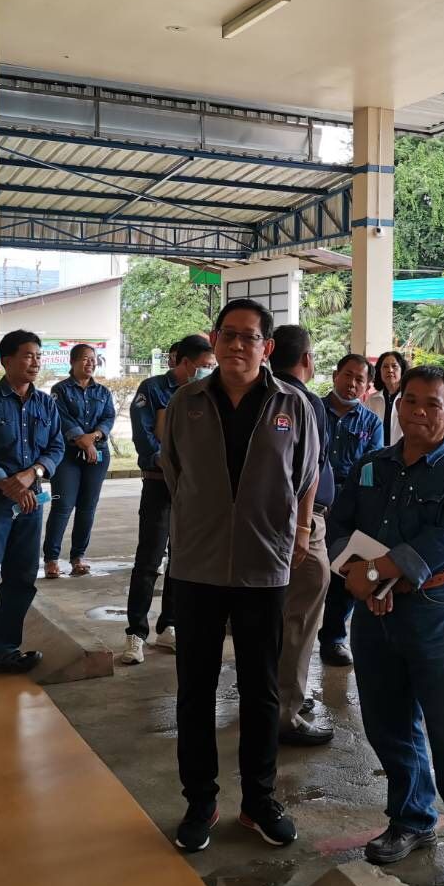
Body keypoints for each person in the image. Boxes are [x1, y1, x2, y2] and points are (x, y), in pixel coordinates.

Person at [328, 365, 444, 886]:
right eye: (411, 402)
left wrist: (376, 574)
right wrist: (354, 574)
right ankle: (411, 818)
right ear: (397, 406)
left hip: (438, 612)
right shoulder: (372, 465)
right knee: (388, 724)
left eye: (433, 404)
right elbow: (339, 524)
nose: (419, 413)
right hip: (374, 614)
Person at [162, 299, 319, 853]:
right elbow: (173, 470)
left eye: (249, 336)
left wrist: (299, 533)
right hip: (197, 567)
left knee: (260, 690)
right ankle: (200, 802)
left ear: (266, 347)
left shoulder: (292, 405)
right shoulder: (186, 402)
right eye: (227, 334)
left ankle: (259, 801)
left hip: (264, 565)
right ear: (214, 339)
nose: (236, 345)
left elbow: (306, 475)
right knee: (195, 690)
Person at [0, 330, 66, 699]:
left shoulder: (46, 403)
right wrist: (10, 485)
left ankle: (3, 650)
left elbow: (56, 445)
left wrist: (33, 473)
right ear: (6, 360)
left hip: (31, 503)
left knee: (21, 579)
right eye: (27, 355)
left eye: (38, 356)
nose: (35, 362)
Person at [123, 334, 215, 665]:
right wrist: (170, 462)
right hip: (160, 484)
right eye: (204, 365)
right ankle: (136, 632)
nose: (209, 370)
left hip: (191, 489)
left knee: (182, 558)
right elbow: (144, 437)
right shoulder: (153, 389)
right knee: (149, 559)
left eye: (212, 365)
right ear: (184, 363)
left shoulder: (208, 393)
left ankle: (169, 625)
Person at [269, 325, 338, 747]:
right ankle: (285, 711)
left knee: (278, 615)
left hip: (272, 522)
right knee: (298, 615)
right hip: (301, 523)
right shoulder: (304, 401)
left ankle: (273, 695)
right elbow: (310, 469)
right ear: (307, 359)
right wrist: (304, 527)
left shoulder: (263, 395)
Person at [315, 354, 384, 668]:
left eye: (360, 379)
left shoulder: (371, 423)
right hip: (311, 502)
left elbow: (372, 469)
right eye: (348, 375)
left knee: (343, 571)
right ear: (335, 375)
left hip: (349, 504)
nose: (352, 383)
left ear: (367, 386)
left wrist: (358, 505)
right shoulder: (313, 410)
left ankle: (333, 638)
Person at [42, 343, 116, 578]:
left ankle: (78, 557)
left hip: (97, 454)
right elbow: (60, 417)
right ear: (72, 362)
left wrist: (93, 438)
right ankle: (51, 558)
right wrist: (81, 439)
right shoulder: (60, 390)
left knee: (87, 507)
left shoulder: (102, 392)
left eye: (93, 359)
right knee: (63, 505)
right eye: (85, 358)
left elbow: (108, 417)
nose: (90, 363)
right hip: (67, 456)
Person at [364, 350, 409, 445]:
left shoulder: (409, 399)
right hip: (377, 451)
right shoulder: (371, 400)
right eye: (385, 366)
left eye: (394, 366)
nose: (390, 370)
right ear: (379, 371)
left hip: (403, 450)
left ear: (402, 370)